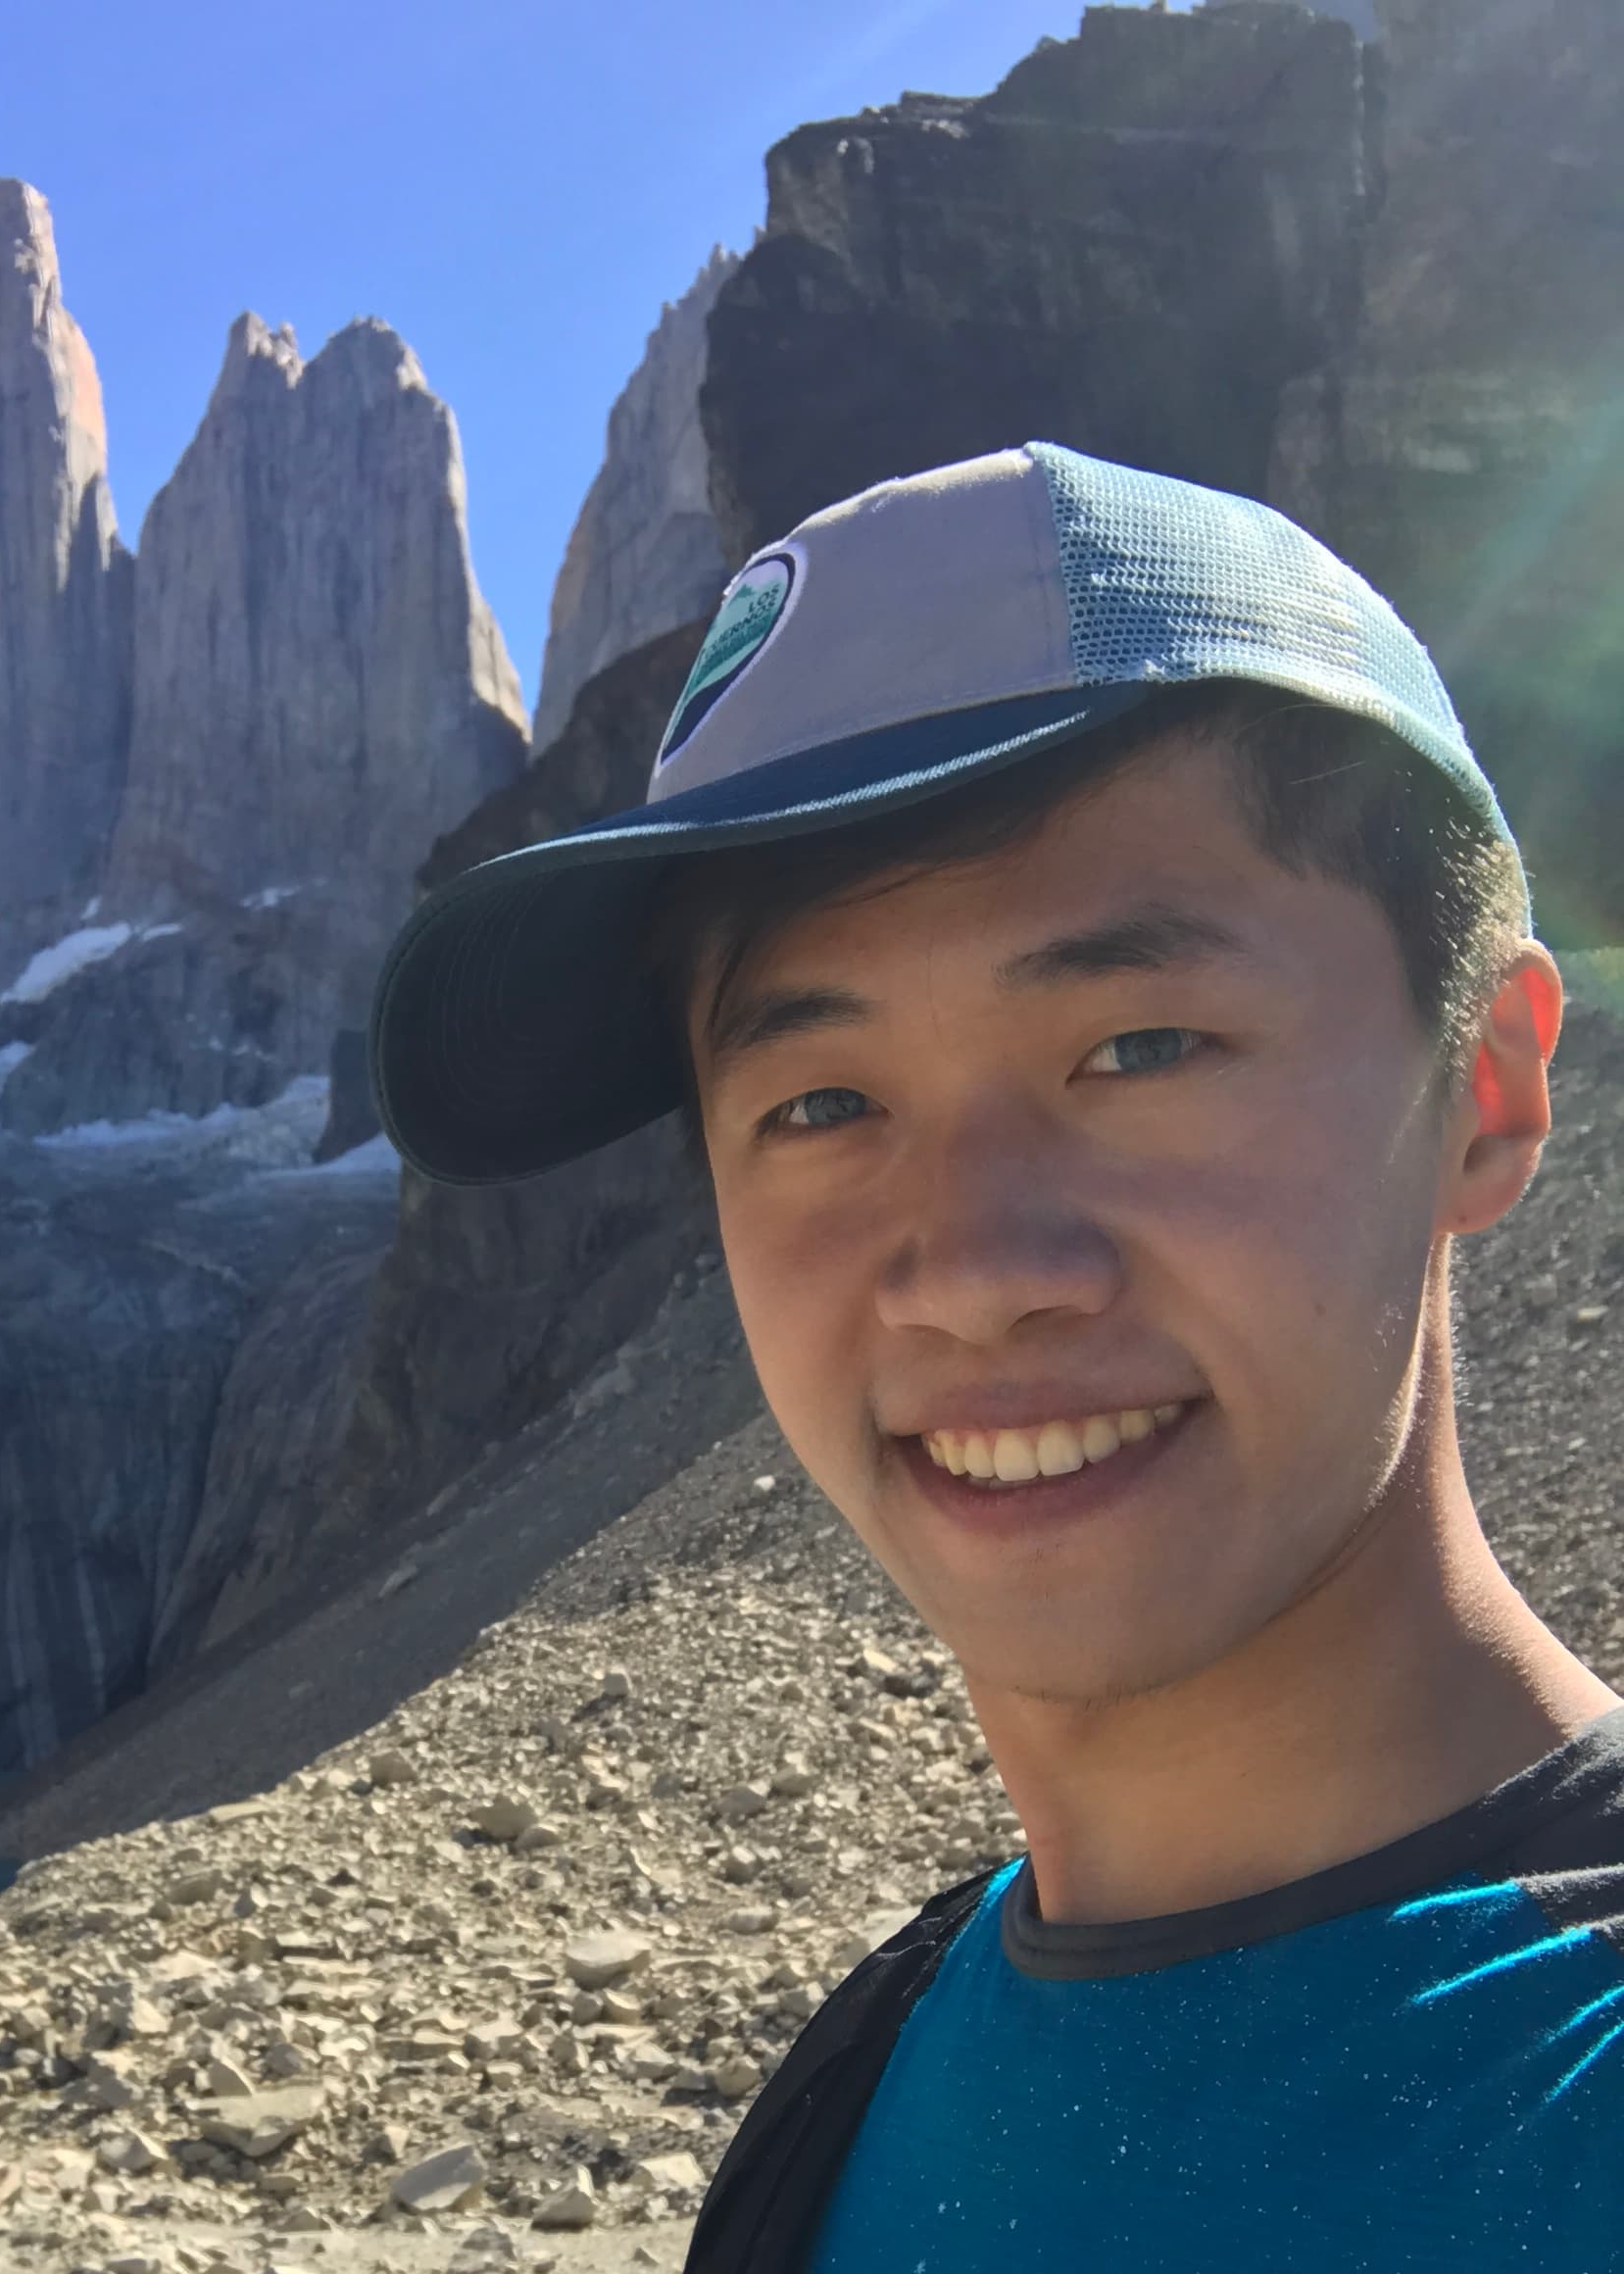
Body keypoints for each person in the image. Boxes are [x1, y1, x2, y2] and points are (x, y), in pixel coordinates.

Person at [369, 443, 1624, 2268]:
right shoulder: (861, 2077)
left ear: (1490, 1090)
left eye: (1140, 1050)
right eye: (819, 1101)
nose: (971, 1273)